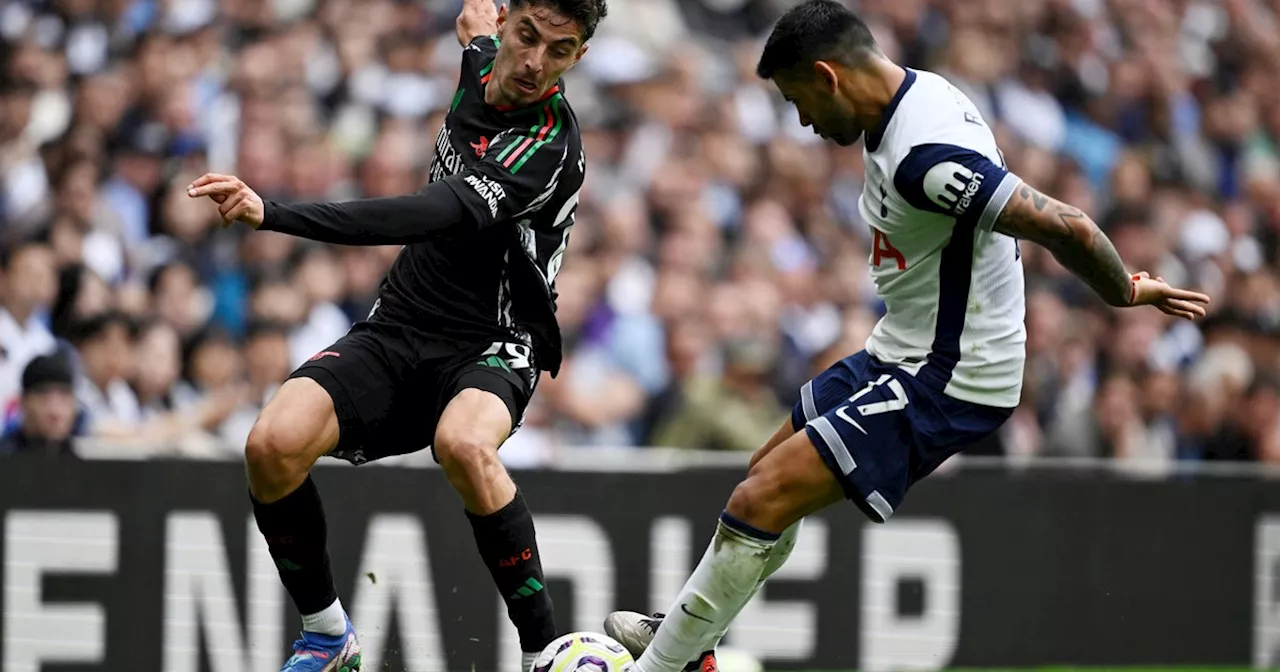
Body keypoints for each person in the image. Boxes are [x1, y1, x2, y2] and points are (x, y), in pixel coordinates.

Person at [601, 3, 1212, 672]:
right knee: (762, 477)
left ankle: (667, 664)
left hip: (953, 371)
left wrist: (1122, 288)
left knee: (760, 497)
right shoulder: (917, 91)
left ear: (829, 78)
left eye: (798, 100)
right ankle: (693, 643)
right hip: (900, 345)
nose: (802, 121)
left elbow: (1063, 224)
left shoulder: (925, 157)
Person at [185, 0, 606, 668]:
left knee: (464, 445)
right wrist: (478, 23)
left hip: (494, 340)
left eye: (560, 50)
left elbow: (423, 214)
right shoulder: (482, 54)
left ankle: (541, 652)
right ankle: (328, 636)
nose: (534, 63)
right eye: (527, 37)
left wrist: (276, 213)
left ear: (579, 56)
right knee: (271, 445)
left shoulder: (547, 145)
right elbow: (473, 24)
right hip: (403, 321)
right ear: (509, 25)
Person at [0, 353, 78, 458]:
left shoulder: (82, 463)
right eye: (44, 399)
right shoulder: (5, 457)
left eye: (64, 398)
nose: (55, 411)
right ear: (23, 402)